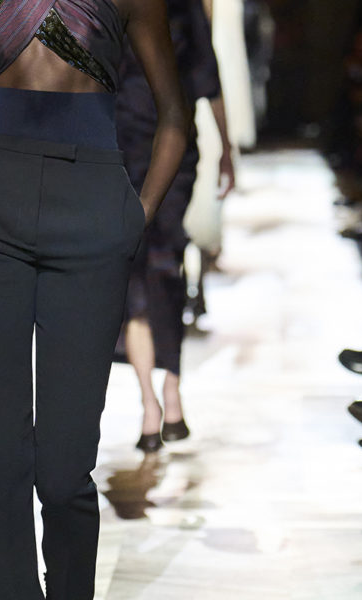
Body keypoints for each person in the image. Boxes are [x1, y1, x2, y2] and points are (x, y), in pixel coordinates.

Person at [0, 1, 188, 598]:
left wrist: (135, 216)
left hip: (92, 210)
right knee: (1, 452)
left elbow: (174, 114)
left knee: (65, 470)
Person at [116, 0, 234, 450]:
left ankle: (168, 391)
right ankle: (152, 399)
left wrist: (226, 148)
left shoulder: (182, 6)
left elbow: (206, 74)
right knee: (139, 274)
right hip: (120, 152)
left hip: (170, 153)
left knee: (161, 268)